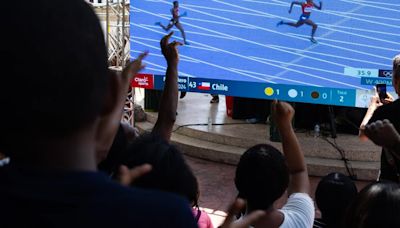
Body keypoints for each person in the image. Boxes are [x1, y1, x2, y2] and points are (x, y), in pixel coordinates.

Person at [0, 1, 198, 227]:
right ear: (110, 97)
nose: (129, 130)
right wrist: (171, 65)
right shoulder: (164, 216)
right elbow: (165, 122)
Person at [234, 101, 314, 227]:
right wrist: (285, 125)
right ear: (284, 187)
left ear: (237, 183)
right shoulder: (300, 218)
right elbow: (299, 171)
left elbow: (298, 171)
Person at [360, 54, 400, 182]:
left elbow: (363, 133)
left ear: (396, 81)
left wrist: (372, 108)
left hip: (391, 182)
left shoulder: (387, 112)